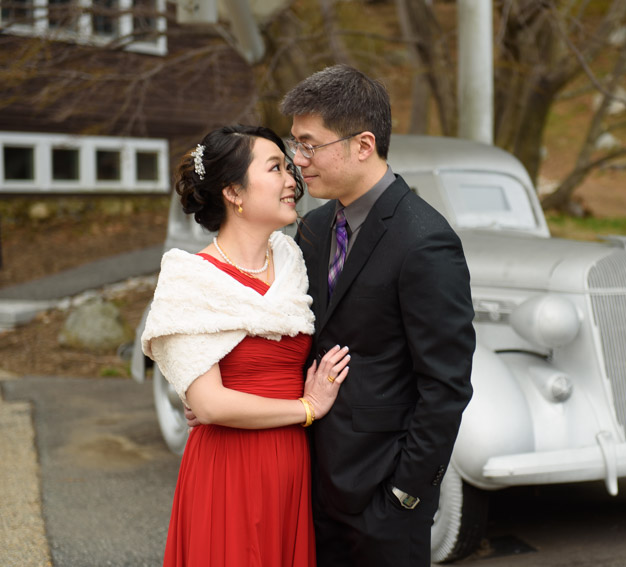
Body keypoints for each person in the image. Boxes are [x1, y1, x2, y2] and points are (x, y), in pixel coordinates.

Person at [281, 65, 476, 566]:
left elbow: (446, 385)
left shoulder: (424, 239)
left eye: (310, 144)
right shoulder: (315, 228)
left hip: (384, 500)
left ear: (363, 145)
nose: (298, 160)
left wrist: (408, 493)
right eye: (295, 144)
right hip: (310, 485)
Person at [141, 124, 350, 567]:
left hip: (292, 466)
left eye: (288, 167)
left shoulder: (295, 259)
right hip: (228, 467)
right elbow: (211, 405)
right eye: (276, 168)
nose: (293, 179)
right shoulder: (189, 279)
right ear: (233, 191)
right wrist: (308, 408)